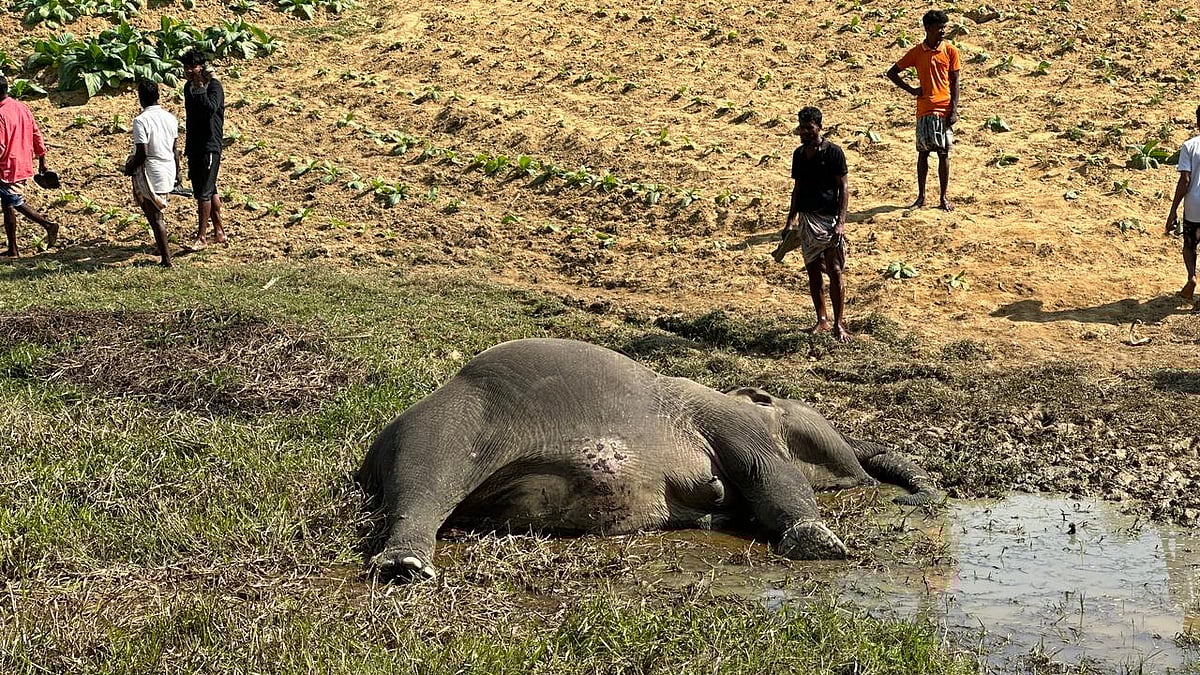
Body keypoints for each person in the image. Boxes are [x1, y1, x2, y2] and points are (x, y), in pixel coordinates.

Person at [771, 106, 852, 342]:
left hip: (828, 220)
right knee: (813, 271)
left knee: (835, 270)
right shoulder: (798, 154)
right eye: (802, 128)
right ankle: (822, 320)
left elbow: (844, 188)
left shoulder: (834, 152)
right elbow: (797, 189)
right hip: (807, 219)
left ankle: (839, 323)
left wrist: (840, 223)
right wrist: (790, 220)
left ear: (819, 127)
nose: (804, 132)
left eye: (809, 128)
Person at [886, 9, 961, 211]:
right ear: (928, 28)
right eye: (940, 27)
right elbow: (892, 72)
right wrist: (911, 90)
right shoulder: (917, 52)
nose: (943, 31)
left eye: (944, 27)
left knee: (944, 153)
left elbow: (955, 83)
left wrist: (953, 110)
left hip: (943, 108)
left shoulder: (951, 51)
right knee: (923, 153)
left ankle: (943, 197)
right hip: (925, 109)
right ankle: (921, 196)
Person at [123, 80, 181, 267]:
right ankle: (161, 247)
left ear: (141, 99)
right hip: (168, 168)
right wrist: (178, 172)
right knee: (153, 212)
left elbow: (143, 153)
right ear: (158, 96)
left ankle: (167, 259)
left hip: (151, 170)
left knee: (155, 217)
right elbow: (175, 149)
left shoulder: (141, 121)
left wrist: (129, 167)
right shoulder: (171, 118)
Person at [0, 73, 59, 258]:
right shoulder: (21, 107)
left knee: (13, 201)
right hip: (22, 162)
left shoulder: (0, 114)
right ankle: (13, 249)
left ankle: (47, 225)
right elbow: (36, 133)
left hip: (6, 165)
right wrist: (42, 159)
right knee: (8, 203)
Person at [180, 49, 226, 250]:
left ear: (202, 67)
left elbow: (210, 109)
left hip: (209, 145)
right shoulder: (187, 88)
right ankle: (219, 232)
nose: (190, 71)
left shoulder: (214, 86)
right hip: (195, 146)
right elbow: (192, 117)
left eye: (193, 67)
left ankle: (202, 237)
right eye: (186, 67)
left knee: (204, 193)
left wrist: (201, 85)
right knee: (207, 188)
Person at [1166, 105, 1200, 303]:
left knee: (1189, 245)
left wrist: (1173, 211)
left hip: (1195, 207)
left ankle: (1192, 277)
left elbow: (1185, 181)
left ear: (1198, 122)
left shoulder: (1190, 146)